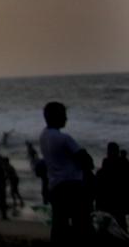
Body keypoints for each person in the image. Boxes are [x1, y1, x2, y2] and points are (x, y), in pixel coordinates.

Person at [40, 101, 91, 244]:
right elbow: (86, 160)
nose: (66, 118)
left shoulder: (44, 136)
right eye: (63, 115)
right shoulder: (64, 138)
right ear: (56, 117)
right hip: (71, 187)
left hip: (55, 186)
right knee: (81, 225)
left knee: (59, 225)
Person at [97, 142, 129, 229]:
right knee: (121, 225)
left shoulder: (104, 167)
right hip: (119, 201)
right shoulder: (123, 164)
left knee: (107, 226)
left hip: (106, 202)